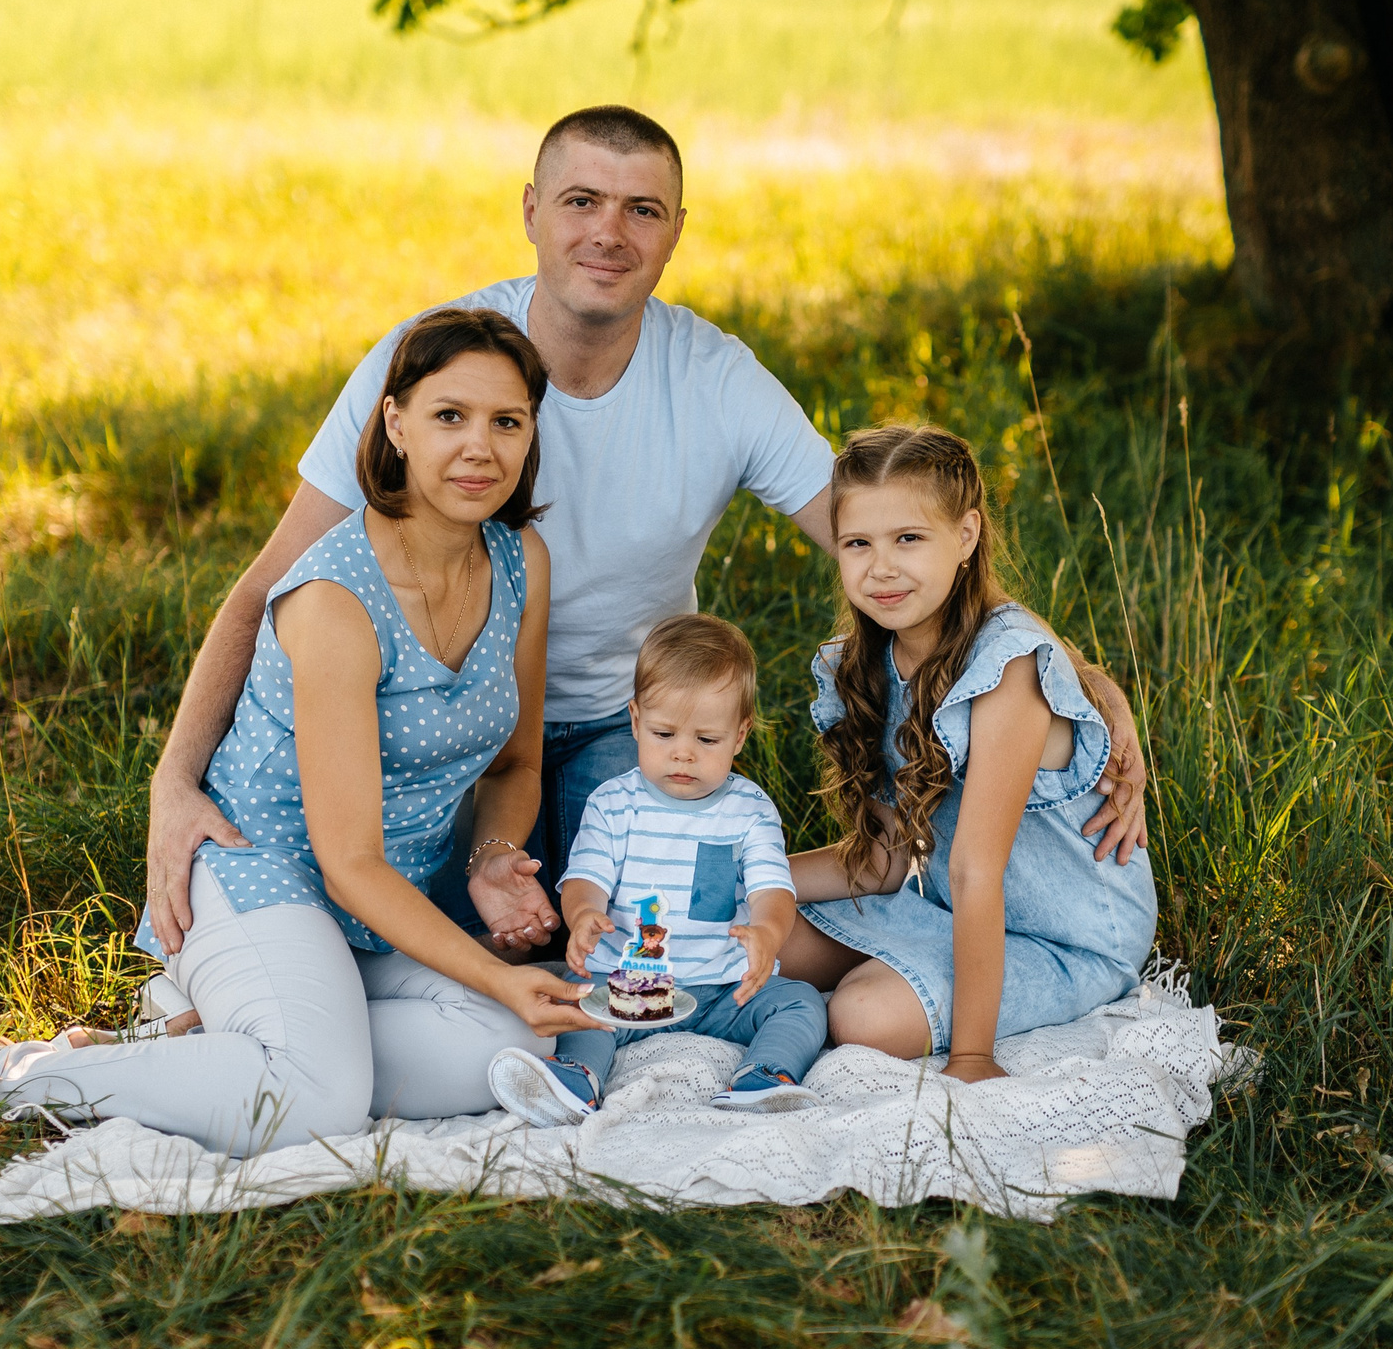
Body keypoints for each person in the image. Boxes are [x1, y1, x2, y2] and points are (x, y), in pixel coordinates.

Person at [139, 103, 1152, 972]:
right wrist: (173, 781)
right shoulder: (441, 364)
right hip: (453, 729)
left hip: (637, 727)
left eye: (642, 209)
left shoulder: (715, 379)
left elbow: (900, 544)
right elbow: (271, 586)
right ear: (530, 211)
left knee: (642, 954)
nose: (607, 232)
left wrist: (1075, 676)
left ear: (674, 232)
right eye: (580, 200)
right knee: (456, 936)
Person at [0, 309, 599, 1142]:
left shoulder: (521, 559)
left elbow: (515, 765)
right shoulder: (339, 597)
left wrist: (491, 858)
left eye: (506, 421)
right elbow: (346, 862)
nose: (478, 447)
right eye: (449, 415)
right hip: (260, 872)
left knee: (532, 1038)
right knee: (319, 1098)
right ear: (396, 424)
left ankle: (190, 1045)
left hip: (384, 906)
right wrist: (490, 969)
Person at [774, 426, 1157, 1084]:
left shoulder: (1006, 667)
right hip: (948, 907)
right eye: (857, 543)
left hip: (1067, 935)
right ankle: (821, 994)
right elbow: (884, 858)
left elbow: (977, 869)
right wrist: (749, 877)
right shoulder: (867, 663)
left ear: (968, 535)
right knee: (754, 938)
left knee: (863, 1014)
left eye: (909, 539)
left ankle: (905, 996)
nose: (881, 567)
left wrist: (972, 1056)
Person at [487, 615, 824, 1126]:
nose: (683, 753)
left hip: (722, 988)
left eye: (707, 740)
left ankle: (764, 1075)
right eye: (664, 733)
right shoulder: (614, 804)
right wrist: (582, 916)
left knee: (799, 1002)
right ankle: (576, 1077)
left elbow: (773, 889)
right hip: (630, 987)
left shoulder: (751, 810)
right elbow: (587, 879)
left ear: (740, 735)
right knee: (582, 1006)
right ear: (636, 721)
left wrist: (768, 933)